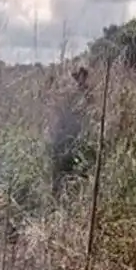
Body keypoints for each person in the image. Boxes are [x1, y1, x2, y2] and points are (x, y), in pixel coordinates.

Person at [47, 65, 95, 197]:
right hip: (63, 134)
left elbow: (88, 111)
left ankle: (65, 193)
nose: (81, 80)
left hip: (72, 134)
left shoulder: (85, 92)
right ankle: (56, 193)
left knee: (68, 166)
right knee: (59, 166)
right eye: (80, 77)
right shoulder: (67, 92)